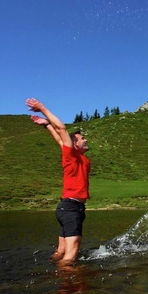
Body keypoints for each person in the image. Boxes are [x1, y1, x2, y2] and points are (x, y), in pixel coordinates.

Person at [26, 98, 90, 265]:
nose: (86, 140)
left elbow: (59, 138)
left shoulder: (78, 157)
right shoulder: (70, 155)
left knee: (61, 252)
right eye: (82, 138)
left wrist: (46, 125)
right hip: (71, 208)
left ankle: (48, 274)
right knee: (70, 257)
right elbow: (61, 130)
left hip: (67, 208)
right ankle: (67, 287)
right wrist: (41, 108)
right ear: (74, 144)